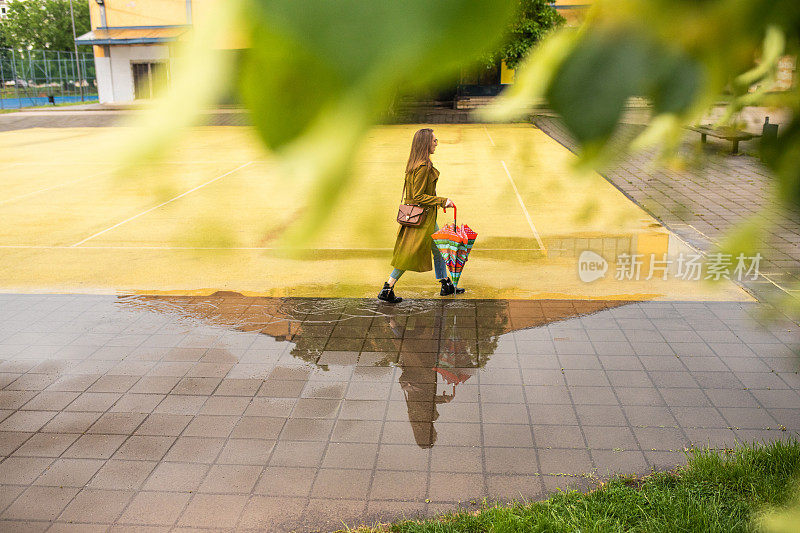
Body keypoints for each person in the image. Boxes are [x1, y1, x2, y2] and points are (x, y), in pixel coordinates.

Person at [379, 128, 465, 304]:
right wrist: (443, 201)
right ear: (426, 143)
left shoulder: (414, 163)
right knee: (409, 254)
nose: (436, 143)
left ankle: (445, 283)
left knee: (439, 248)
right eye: (434, 140)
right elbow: (418, 196)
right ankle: (387, 288)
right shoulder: (423, 166)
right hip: (422, 219)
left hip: (418, 216)